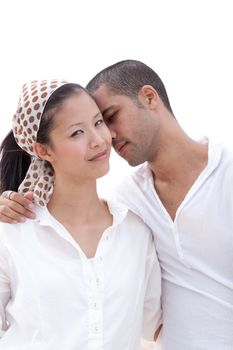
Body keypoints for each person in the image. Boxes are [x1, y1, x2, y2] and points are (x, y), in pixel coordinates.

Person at [0, 60, 233, 349]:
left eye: (104, 119)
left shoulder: (134, 224)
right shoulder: (129, 202)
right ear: (43, 150)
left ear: (149, 97)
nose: (104, 137)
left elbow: (150, 319)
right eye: (78, 131)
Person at [0, 79, 161, 349]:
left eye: (98, 122)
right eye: (77, 133)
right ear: (43, 150)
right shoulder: (12, 232)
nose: (99, 140)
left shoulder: (135, 231)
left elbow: (154, 324)